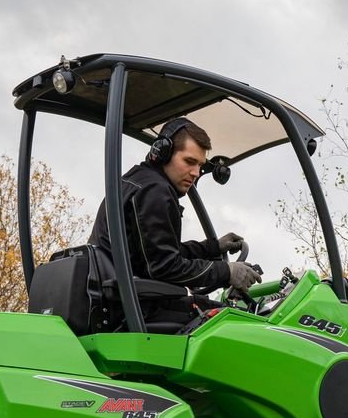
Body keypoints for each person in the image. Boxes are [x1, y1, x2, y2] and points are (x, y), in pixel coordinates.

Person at [88, 117, 261, 320]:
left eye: (200, 165)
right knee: (235, 319)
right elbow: (165, 267)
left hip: (121, 300)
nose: (196, 172)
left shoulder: (135, 181)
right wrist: (226, 271)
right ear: (163, 154)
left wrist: (212, 248)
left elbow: (159, 254)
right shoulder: (156, 191)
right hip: (137, 310)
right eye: (189, 162)